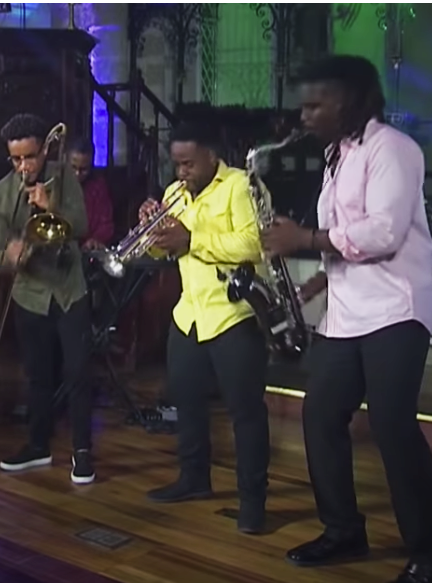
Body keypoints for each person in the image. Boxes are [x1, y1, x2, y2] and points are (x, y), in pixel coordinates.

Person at [263, 55, 432, 582]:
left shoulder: (392, 149)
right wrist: (318, 281)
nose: (304, 115)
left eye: (314, 105)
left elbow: (382, 234)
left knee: (393, 427)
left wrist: (304, 239)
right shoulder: (337, 156)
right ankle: (343, 530)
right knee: (320, 416)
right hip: (346, 315)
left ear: (348, 102)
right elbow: (347, 235)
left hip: (396, 310)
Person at [139, 122, 270, 534]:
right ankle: (194, 478)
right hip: (189, 314)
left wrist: (192, 237)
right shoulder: (175, 194)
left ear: (212, 156)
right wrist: (152, 232)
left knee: (245, 413)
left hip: (234, 314)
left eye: (189, 164)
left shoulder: (241, 186)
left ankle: (253, 502)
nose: (181, 173)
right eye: (176, 164)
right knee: (187, 402)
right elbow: (163, 251)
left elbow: (254, 244)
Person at [0, 113, 95, 485]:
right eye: (16, 159)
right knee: (37, 376)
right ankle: (37, 445)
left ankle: (82, 452)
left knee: (78, 372)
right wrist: (10, 256)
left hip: (69, 289)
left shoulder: (64, 177)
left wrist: (51, 207)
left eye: (30, 157)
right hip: (29, 294)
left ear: (43, 151)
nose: (24, 166)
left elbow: (81, 225)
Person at [67, 137, 114, 251]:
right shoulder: (55, 182)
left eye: (83, 169)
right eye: (73, 167)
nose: (77, 174)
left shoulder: (98, 187)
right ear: (65, 160)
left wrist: (95, 240)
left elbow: (106, 223)